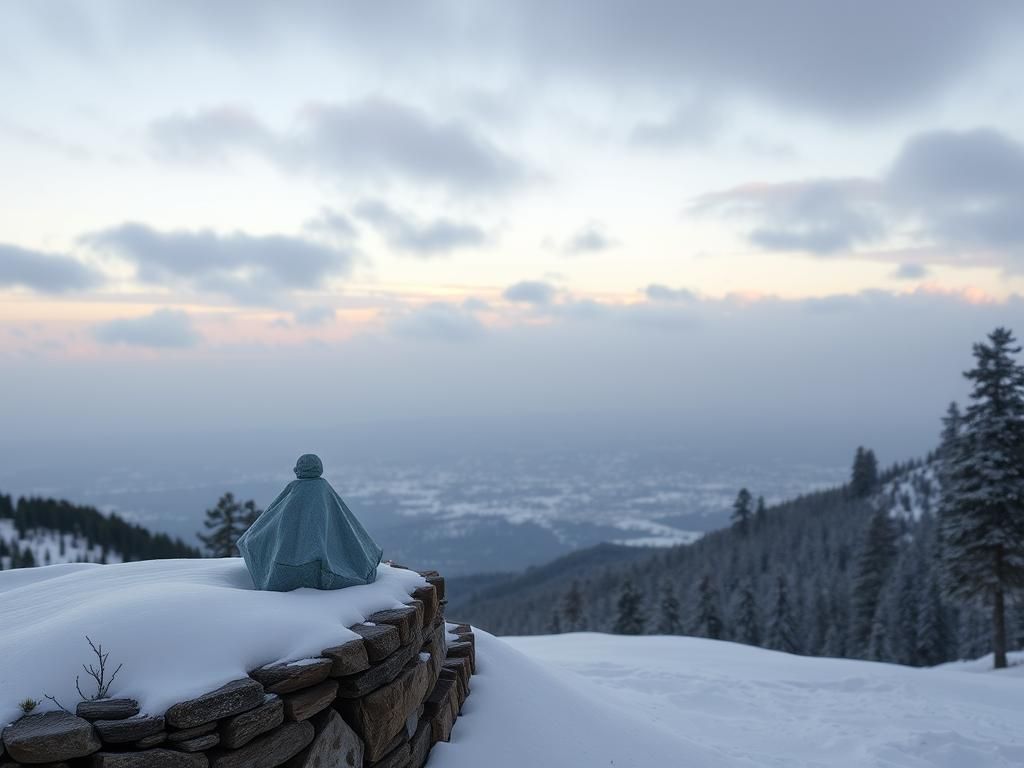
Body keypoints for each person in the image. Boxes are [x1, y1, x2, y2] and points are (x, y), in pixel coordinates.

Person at [237, 453, 383, 591]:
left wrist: (253, 541)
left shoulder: (296, 489)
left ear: (298, 470)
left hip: (286, 565)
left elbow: (272, 518)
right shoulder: (323, 489)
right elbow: (345, 524)